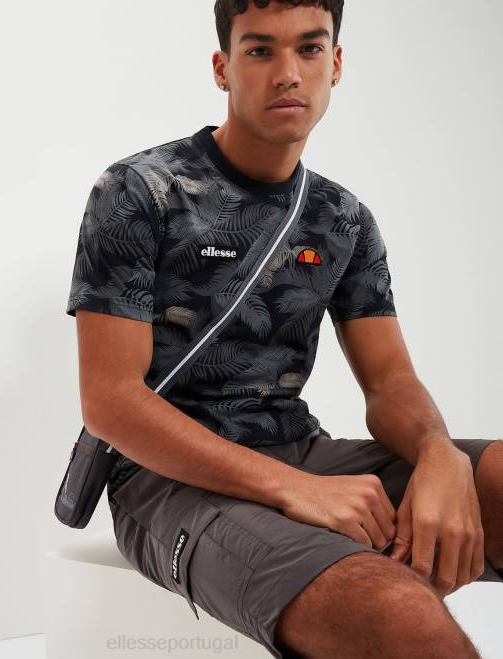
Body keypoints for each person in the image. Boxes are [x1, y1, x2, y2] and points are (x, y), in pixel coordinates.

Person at [65, 1, 503, 657]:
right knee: (397, 612)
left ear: (336, 62)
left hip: (299, 449)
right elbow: (110, 400)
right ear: (222, 67)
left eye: (309, 48)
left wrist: (439, 453)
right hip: (164, 481)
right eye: (260, 50)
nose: (288, 73)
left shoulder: (343, 217)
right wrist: (294, 490)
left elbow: (389, 381)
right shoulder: (139, 191)